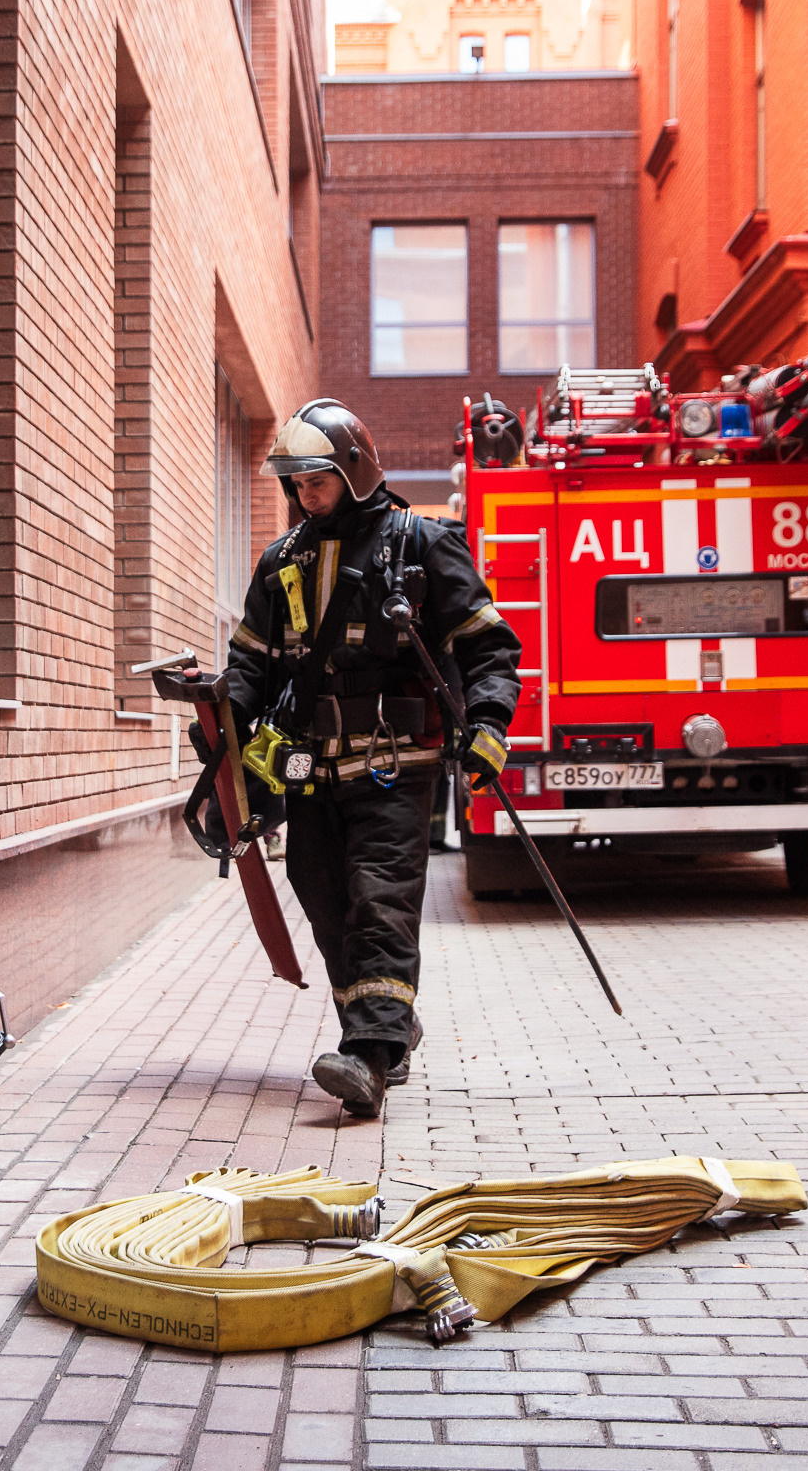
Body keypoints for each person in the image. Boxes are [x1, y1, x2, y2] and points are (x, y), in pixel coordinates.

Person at [221, 401, 522, 1117]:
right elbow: (249, 669)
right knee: (324, 896)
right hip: (311, 770)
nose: (304, 496)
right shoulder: (282, 562)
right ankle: (386, 1024)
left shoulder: (424, 546)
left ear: (353, 470)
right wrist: (220, 738)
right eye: (295, 484)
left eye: (315, 480)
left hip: (395, 765)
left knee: (379, 899)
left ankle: (369, 1059)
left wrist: (487, 726)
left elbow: (490, 647)